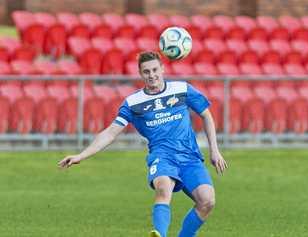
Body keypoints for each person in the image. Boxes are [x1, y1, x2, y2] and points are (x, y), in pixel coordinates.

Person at [58, 51, 228, 237]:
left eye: (155, 69)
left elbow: (206, 115)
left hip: (190, 158)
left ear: (162, 69)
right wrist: (81, 155)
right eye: (146, 71)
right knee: (163, 188)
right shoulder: (133, 103)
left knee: (207, 201)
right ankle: (159, 234)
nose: (152, 75)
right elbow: (110, 132)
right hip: (162, 157)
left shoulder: (182, 89)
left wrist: (215, 151)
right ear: (141, 74)